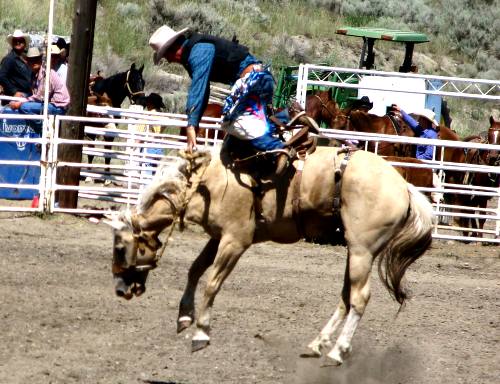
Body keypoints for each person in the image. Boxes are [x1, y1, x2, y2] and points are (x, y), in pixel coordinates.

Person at [149, 25, 285, 158]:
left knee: (236, 123)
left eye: (166, 56)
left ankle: (282, 151)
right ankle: (286, 119)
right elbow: (203, 92)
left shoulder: (199, 51)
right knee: (233, 138)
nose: (168, 60)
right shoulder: (193, 54)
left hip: (255, 80)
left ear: (173, 50)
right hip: (253, 80)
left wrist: (191, 125)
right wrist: (194, 121)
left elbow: (198, 87)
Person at [7, 47, 70, 131]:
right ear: (27, 62)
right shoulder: (34, 75)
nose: (33, 62)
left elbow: (40, 97)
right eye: (31, 60)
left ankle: (42, 129)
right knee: (24, 104)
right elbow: (36, 94)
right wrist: (22, 96)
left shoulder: (46, 74)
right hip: (51, 104)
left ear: (40, 60)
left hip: (58, 106)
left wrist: (20, 102)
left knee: (25, 107)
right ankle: (40, 130)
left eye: (36, 60)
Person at [0, 29, 33, 101]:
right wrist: (14, 91)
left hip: (27, 94)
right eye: (15, 40)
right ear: (12, 43)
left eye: (20, 40)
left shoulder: (26, 58)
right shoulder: (9, 59)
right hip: (17, 97)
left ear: (24, 43)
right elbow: (2, 76)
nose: (18, 42)